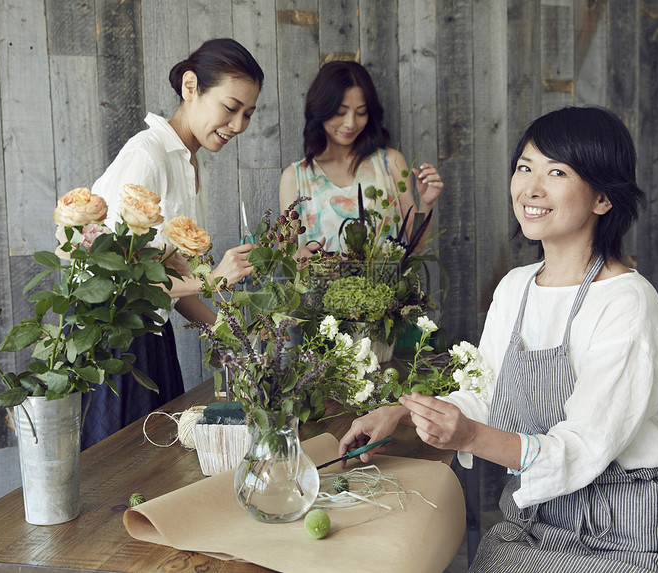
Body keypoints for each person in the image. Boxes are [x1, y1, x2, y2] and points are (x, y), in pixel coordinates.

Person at [339, 106, 658, 572]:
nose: (531, 188)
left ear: (602, 198)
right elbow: (485, 393)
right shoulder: (516, 288)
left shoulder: (627, 302)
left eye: (557, 172)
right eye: (525, 168)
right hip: (538, 518)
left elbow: (583, 447)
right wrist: (399, 412)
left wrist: (470, 436)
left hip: (637, 527)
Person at [81, 38, 263, 449]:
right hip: (116, 342)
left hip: (153, 337)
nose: (239, 125)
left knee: (159, 462)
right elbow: (119, 282)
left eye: (248, 114)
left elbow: (170, 284)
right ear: (190, 86)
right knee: (120, 470)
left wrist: (230, 336)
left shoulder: (187, 162)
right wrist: (214, 280)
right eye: (231, 108)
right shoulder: (148, 154)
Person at [278, 60, 443, 257]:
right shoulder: (295, 177)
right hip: (320, 287)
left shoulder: (390, 163)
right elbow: (286, 258)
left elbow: (416, 245)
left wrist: (426, 203)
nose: (350, 123)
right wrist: (297, 257)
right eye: (340, 112)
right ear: (321, 110)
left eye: (361, 112)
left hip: (386, 288)